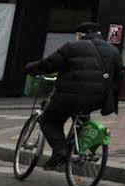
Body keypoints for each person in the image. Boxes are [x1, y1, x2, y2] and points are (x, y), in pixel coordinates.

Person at [23, 23, 118, 167]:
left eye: (77, 35)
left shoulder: (72, 47)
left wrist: (31, 68)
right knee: (82, 117)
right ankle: (76, 150)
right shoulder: (113, 51)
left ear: (82, 34)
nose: (76, 37)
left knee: (49, 120)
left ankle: (61, 152)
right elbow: (119, 77)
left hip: (69, 97)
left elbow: (49, 64)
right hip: (97, 99)